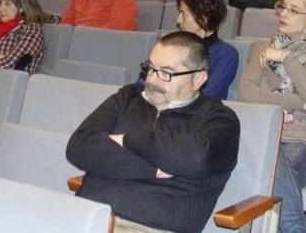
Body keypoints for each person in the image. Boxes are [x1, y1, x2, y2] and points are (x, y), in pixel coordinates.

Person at [66, 31, 240, 233]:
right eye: (151, 69)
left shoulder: (218, 119)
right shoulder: (128, 97)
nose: (153, 81)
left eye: (166, 73)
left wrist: (129, 138)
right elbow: (79, 146)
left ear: (198, 79)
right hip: (87, 215)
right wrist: (151, 168)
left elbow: (197, 158)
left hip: (148, 226)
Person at [238, 0, 306, 233]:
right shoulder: (260, 49)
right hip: (262, 135)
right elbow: (247, 94)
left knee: (265, 174)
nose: (283, 14)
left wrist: (285, 58)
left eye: (294, 11)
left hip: (302, 142)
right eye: (283, 7)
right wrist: (300, 103)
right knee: (266, 177)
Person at [175, 0, 238, 99]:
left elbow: (208, 95)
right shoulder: (172, 45)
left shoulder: (226, 54)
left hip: (198, 115)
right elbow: (144, 79)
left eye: (183, 14)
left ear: (204, 18)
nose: (178, 20)